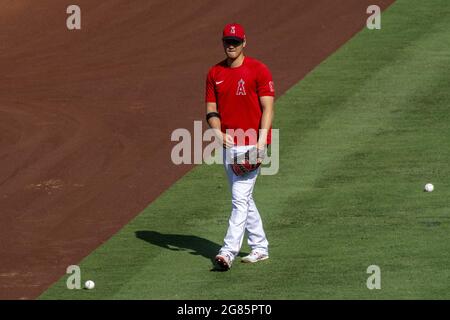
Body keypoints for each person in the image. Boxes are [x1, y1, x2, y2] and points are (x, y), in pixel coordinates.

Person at [205, 23, 275, 270]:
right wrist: (217, 131)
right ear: (223, 42)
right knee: (245, 199)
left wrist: (262, 141)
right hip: (228, 146)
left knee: (238, 199)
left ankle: (227, 252)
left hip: (252, 145)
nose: (231, 45)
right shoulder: (215, 73)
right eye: (227, 41)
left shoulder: (258, 70)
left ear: (244, 42)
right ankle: (260, 247)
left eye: (235, 41)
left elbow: (268, 107)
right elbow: (211, 110)